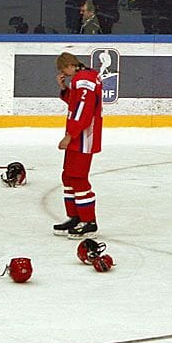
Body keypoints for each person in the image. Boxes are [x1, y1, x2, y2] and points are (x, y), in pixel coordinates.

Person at [53, 52, 103, 239]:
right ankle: (75, 217)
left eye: (63, 69)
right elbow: (76, 104)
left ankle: (89, 222)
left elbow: (83, 111)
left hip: (83, 138)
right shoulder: (83, 78)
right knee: (68, 176)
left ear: (69, 65)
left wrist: (69, 135)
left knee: (78, 178)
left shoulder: (84, 80)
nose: (63, 73)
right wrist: (64, 88)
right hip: (78, 137)